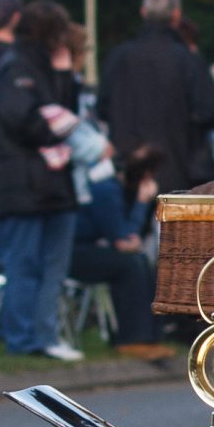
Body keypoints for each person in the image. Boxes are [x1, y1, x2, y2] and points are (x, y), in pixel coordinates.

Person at [0, 0, 86, 360]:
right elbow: (24, 120)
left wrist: (65, 76)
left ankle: (43, 335)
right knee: (27, 263)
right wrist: (54, 126)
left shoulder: (41, 68)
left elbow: (64, 111)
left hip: (46, 182)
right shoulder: (17, 69)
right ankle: (25, 339)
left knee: (47, 264)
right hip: (27, 181)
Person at [65, 119, 170, 357]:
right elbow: (124, 241)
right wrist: (142, 204)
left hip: (89, 248)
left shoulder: (114, 189)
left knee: (142, 262)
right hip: (73, 252)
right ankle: (133, 337)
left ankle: (151, 337)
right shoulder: (106, 189)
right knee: (130, 265)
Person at [102, 0, 214, 192]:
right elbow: (208, 112)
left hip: (129, 167)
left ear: (143, 12)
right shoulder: (188, 61)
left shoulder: (118, 58)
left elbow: (102, 108)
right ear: (176, 15)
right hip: (179, 168)